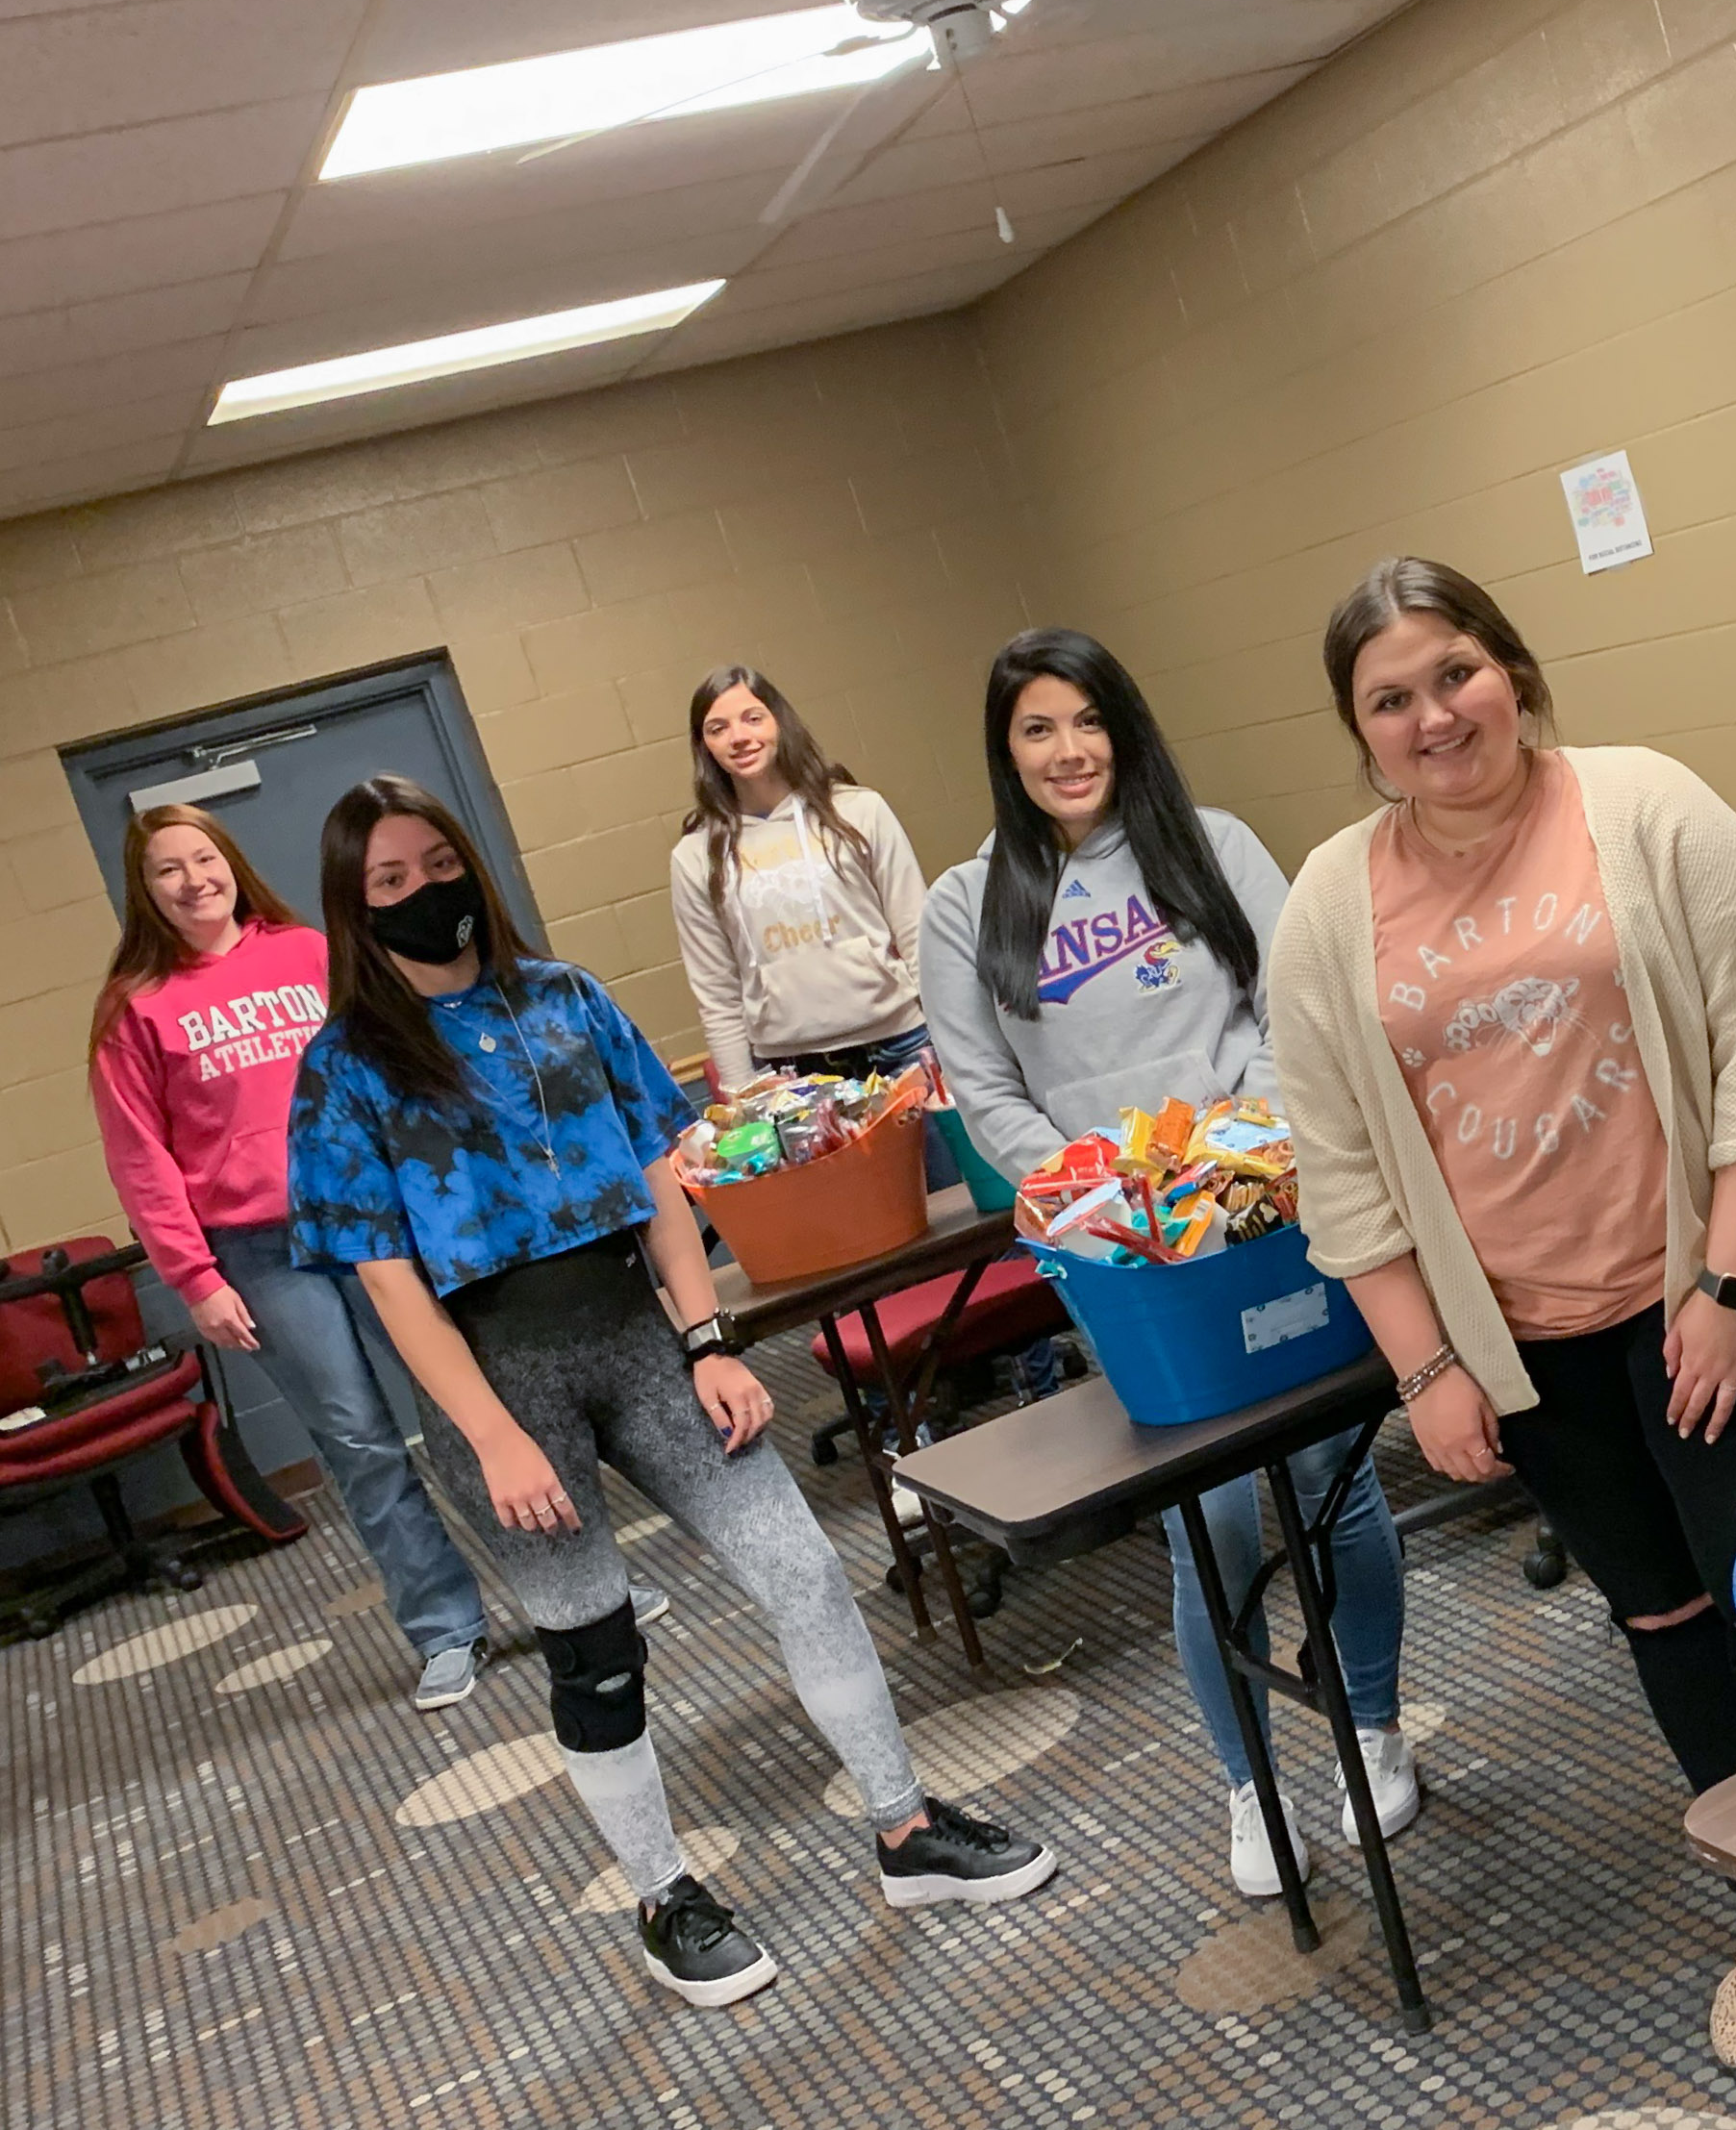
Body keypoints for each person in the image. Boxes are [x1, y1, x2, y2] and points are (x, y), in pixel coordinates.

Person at [285, 775, 1053, 2007]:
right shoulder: (347, 1068)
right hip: (497, 1380)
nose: (426, 891)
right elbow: (385, 1278)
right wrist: (490, 1437)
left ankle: (907, 1829)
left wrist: (709, 1339)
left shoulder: (567, 999)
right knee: (593, 1647)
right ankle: (661, 1892)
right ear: (352, 905)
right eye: (389, 880)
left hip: (641, 1340)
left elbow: (659, 1167)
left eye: (438, 862)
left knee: (800, 1566)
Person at [1267, 559, 1736, 2072]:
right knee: (1656, 1602)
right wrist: (1428, 1367)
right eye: (1388, 699)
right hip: (1517, 1338)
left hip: (1704, 1292)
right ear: (1360, 731)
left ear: (1508, 667)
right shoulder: (1330, 903)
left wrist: (1723, 1288)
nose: (1431, 714)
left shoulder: (1642, 805)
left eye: (1451, 672)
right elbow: (1339, 1170)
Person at [917, 628, 1418, 1900]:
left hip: (1261, 1208)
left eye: (1086, 719)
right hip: (1123, 1251)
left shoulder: (1210, 843)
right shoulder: (963, 904)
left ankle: (1370, 1720)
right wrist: (1108, 1194)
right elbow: (983, 1090)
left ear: (1122, 726)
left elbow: (1284, 998)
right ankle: (1249, 1788)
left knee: (1331, 1472)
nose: (1066, 748)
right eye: (1036, 727)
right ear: (1004, 750)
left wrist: (1225, 1155)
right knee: (1211, 1513)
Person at [87, 803, 547, 1713]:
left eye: (203, 859)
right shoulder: (135, 1007)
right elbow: (139, 1157)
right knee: (361, 1445)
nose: (192, 880)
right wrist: (195, 1279)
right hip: (260, 1253)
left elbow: (393, 1056)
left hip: (376, 1218)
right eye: (167, 870)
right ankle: (446, 1629)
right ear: (145, 893)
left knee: (466, 1410)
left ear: (231, 863)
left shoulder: (304, 951)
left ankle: (561, 1591)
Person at [671, 665, 931, 1095]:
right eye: (718, 728)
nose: (738, 737)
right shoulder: (696, 856)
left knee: (934, 1167)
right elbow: (717, 993)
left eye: (752, 718)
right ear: (705, 747)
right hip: (789, 1075)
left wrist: (948, 1038)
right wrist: (742, 1096)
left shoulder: (859, 811)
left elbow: (918, 931)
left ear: (779, 721)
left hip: (900, 1047)